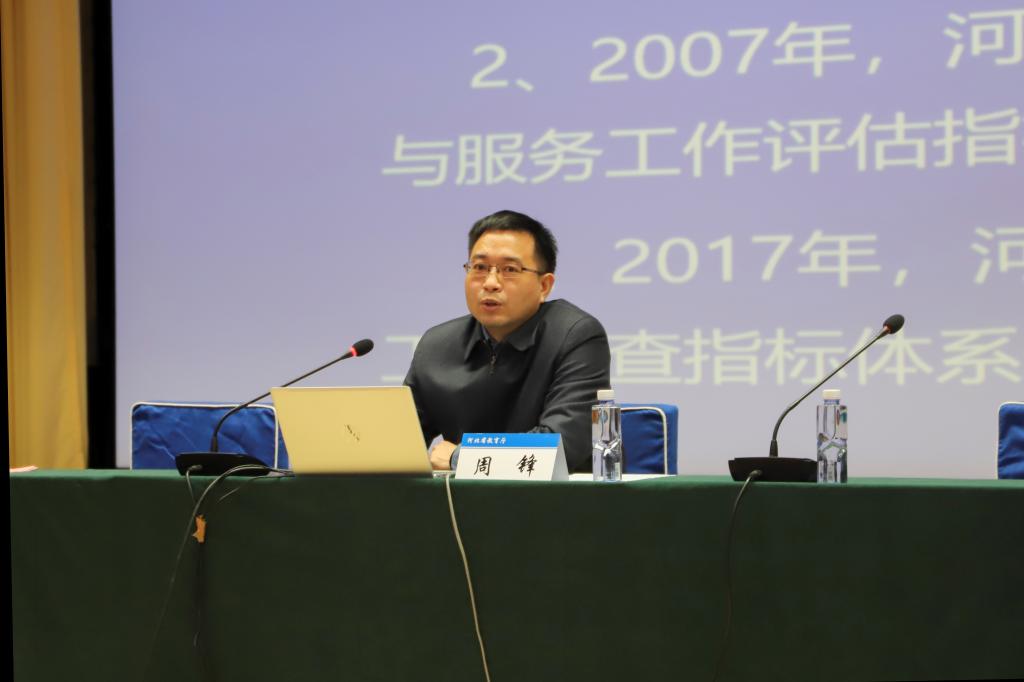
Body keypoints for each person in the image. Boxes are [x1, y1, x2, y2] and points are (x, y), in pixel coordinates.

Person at [404, 210, 611, 473]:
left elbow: (560, 447)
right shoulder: (437, 344)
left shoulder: (576, 335)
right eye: (479, 267)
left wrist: (460, 457)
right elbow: (399, 442)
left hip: (556, 496)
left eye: (510, 270)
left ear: (544, 286)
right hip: (458, 498)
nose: (490, 283)